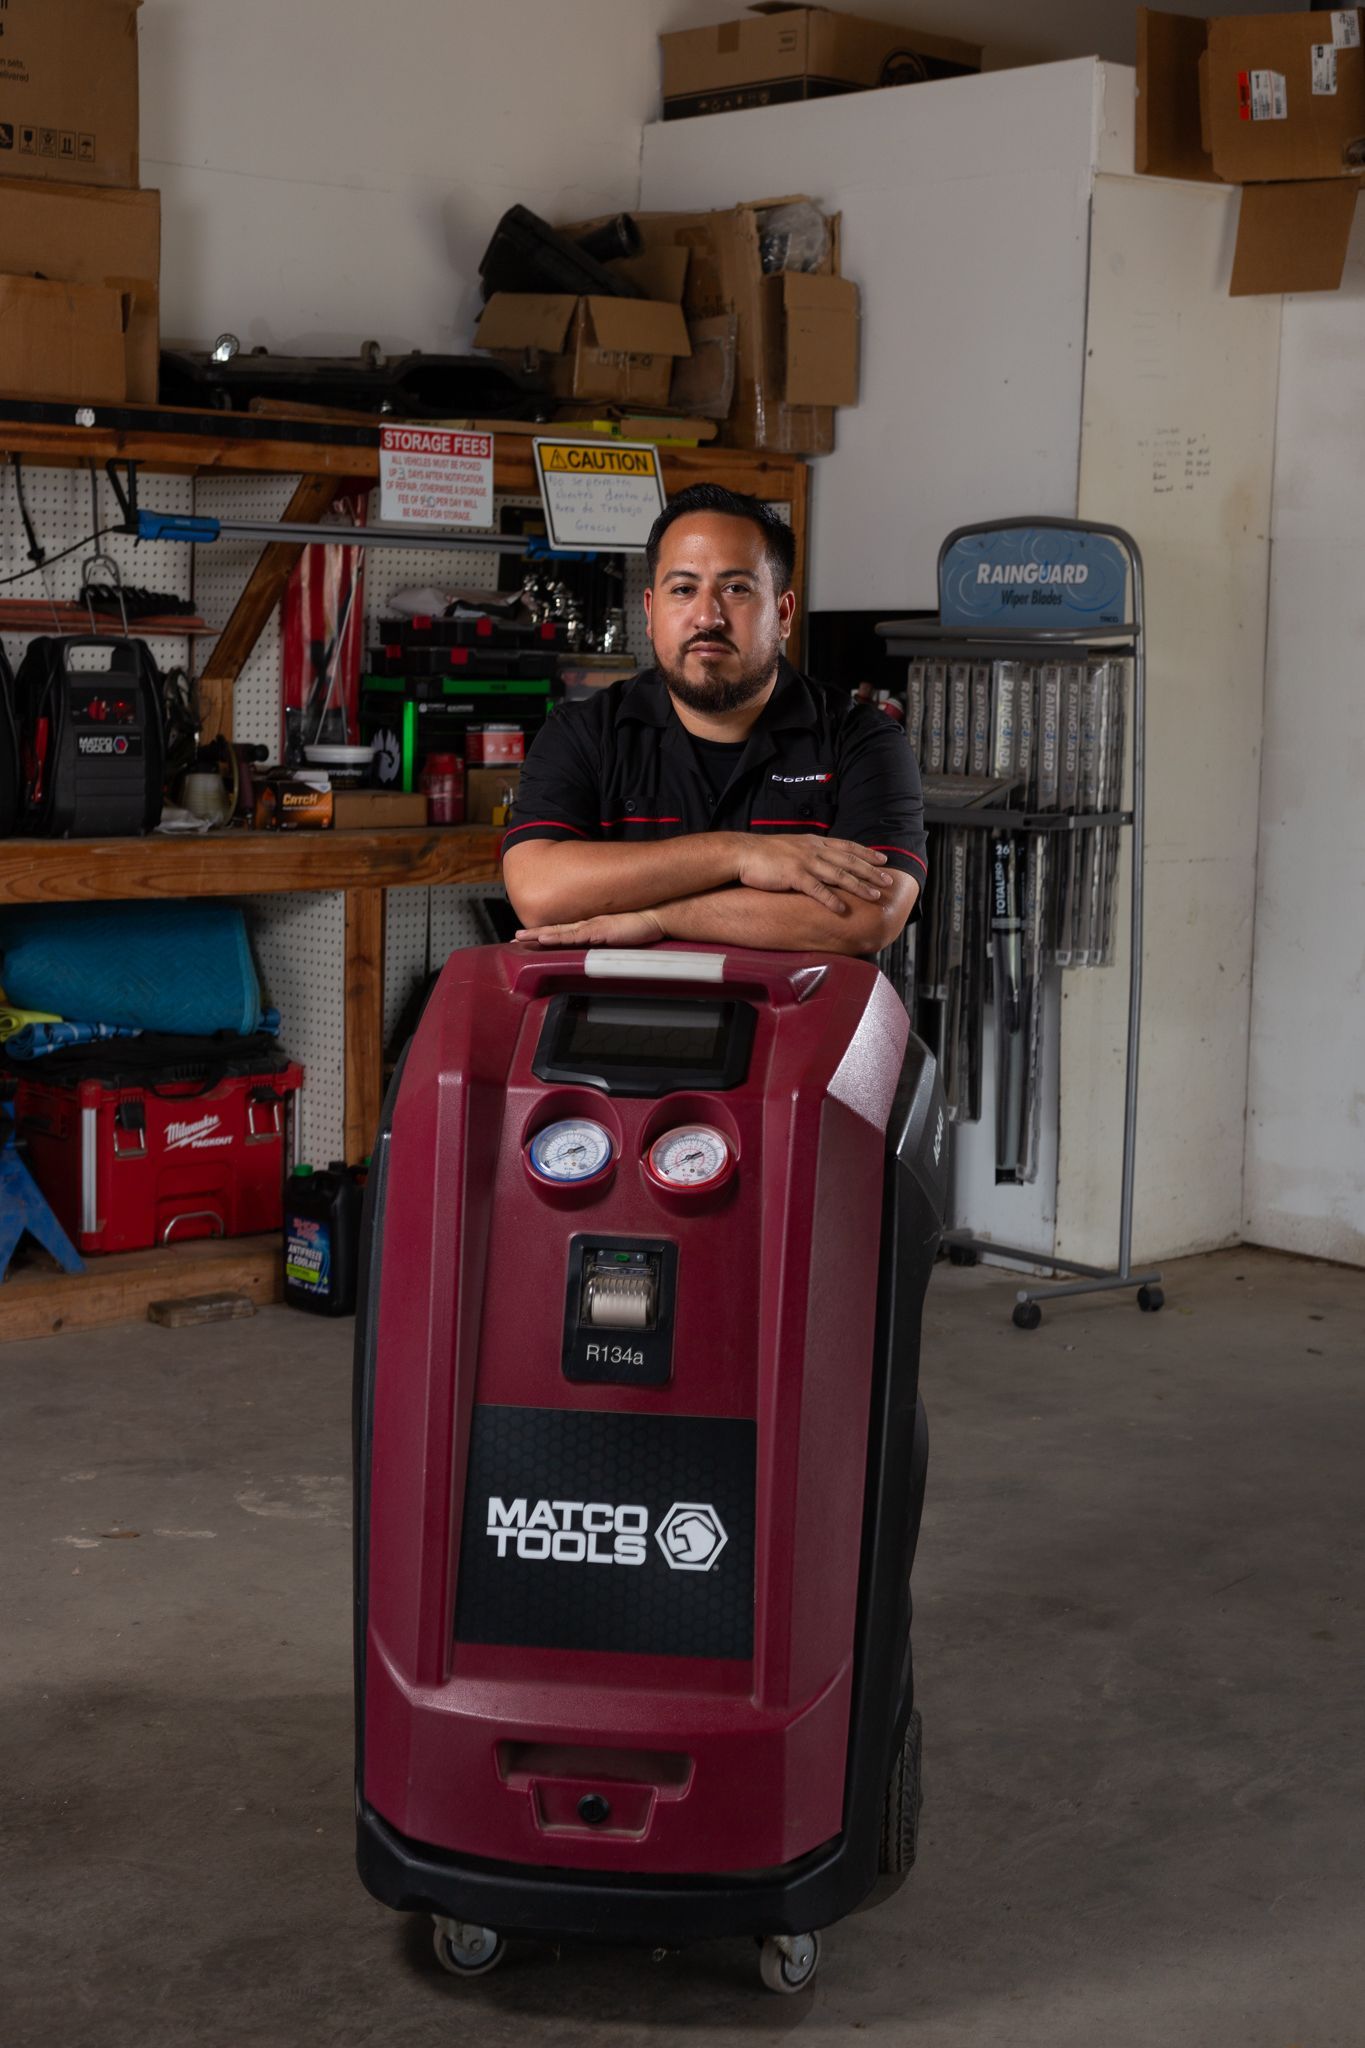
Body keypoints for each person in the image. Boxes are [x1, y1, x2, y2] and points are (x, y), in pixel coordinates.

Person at [502, 483, 926, 956]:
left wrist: (657, 916)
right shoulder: (583, 734)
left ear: (783, 614)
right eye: (683, 589)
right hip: (616, 1024)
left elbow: (868, 916)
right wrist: (740, 853)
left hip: (799, 1027)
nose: (708, 616)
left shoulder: (862, 742)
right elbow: (539, 892)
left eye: (735, 589)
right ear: (650, 611)